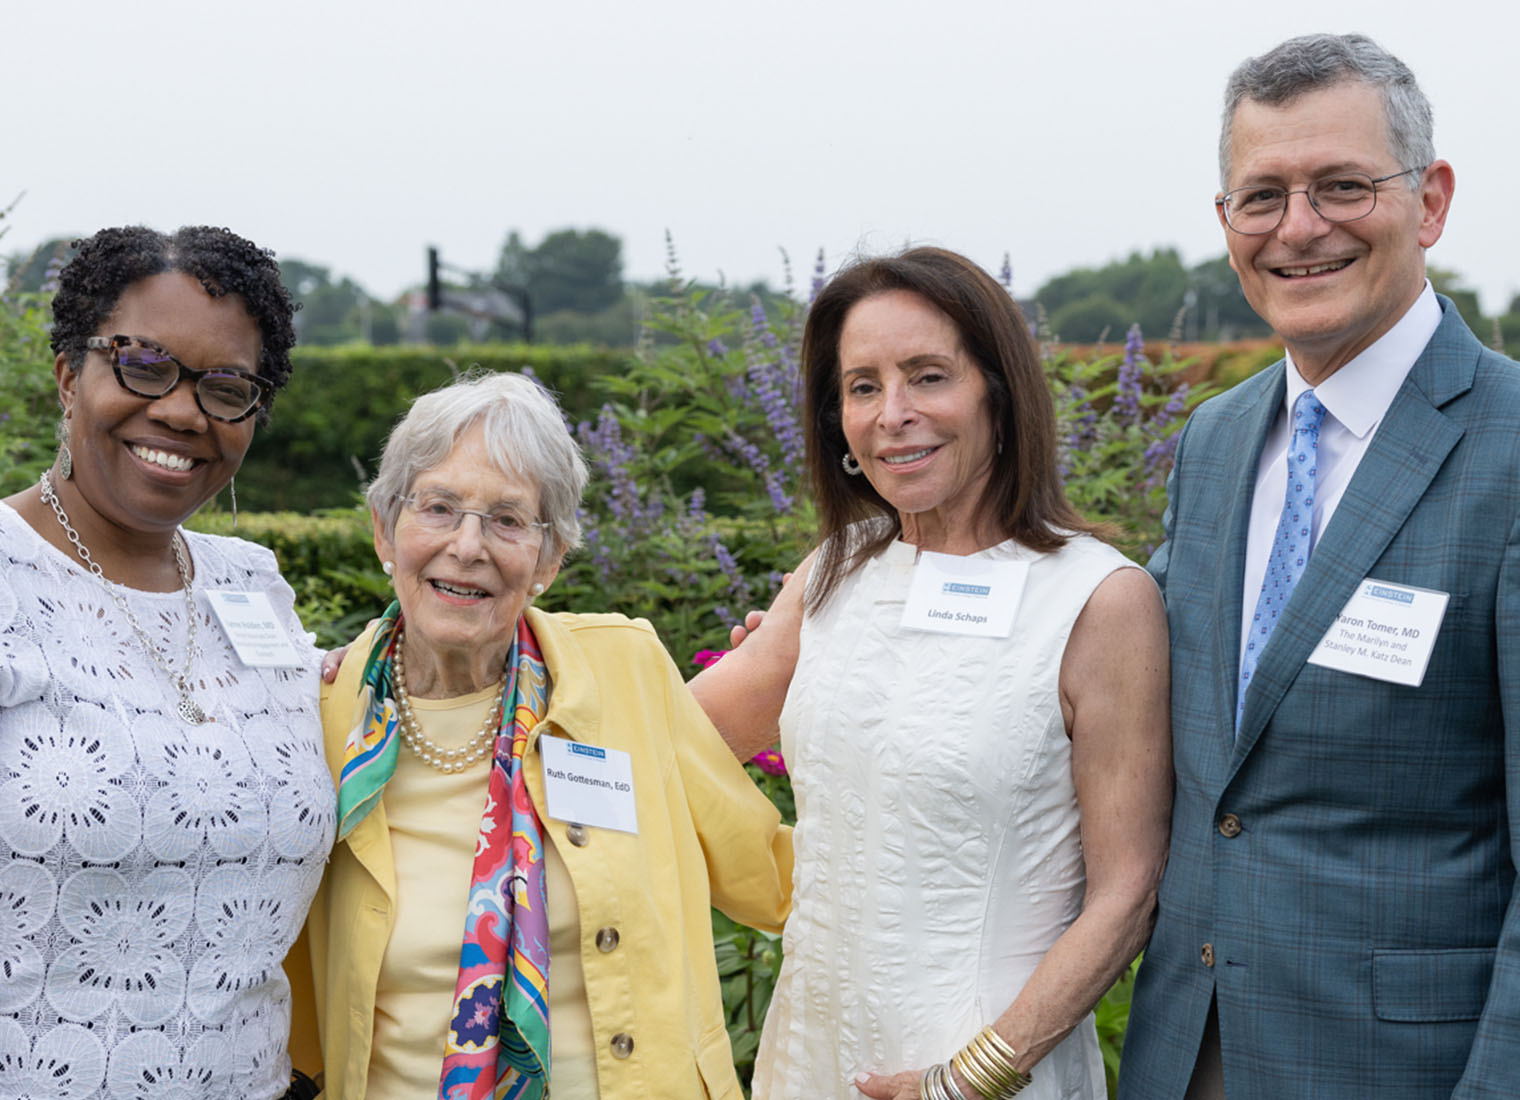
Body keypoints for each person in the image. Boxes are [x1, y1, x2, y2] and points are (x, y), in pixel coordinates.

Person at [1117, 33, 1520, 1100]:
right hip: (1185, 1053)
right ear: (1225, 223)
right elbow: (1128, 668)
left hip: (1400, 1070)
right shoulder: (1213, 439)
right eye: (1262, 196)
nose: (1298, 228)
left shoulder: (1512, 452)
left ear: (1429, 201)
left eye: (1342, 185)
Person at [691, 246, 1171, 1100]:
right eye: (863, 386)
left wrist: (970, 1077)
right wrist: (473, 649)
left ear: (999, 393)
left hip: (984, 1067)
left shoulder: (1099, 599)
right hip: (808, 1059)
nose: (893, 414)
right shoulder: (837, 569)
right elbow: (666, 737)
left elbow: (1128, 891)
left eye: (928, 377)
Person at [288, 370, 793, 1099]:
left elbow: (771, 876)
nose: (467, 546)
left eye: (508, 520)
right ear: (383, 531)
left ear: (549, 559)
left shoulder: (624, 672)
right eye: (438, 507)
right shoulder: (319, 717)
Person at [0, 226, 333, 1099]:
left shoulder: (253, 587)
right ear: (69, 375)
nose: (184, 412)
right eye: (144, 365)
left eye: (227, 388)